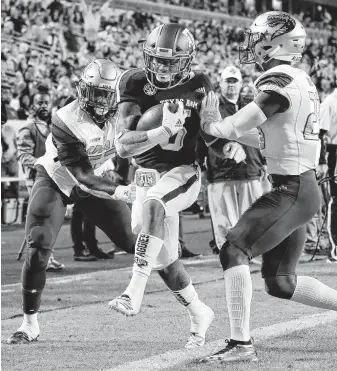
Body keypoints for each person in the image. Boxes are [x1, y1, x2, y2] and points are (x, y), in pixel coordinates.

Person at [198, 11, 337, 363]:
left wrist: (215, 125)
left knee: (233, 250)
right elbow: (264, 135)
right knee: (280, 282)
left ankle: (240, 344)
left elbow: (236, 125)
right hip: (299, 189)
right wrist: (230, 133)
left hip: (292, 190)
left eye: (256, 38)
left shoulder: (278, 80)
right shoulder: (299, 79)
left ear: (275, 42)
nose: (252, 44)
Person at [108, 23, 237, 348]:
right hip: (145, 173)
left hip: (184, 171)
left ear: (188, 58)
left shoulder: (200, 84)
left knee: (154, 204)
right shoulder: (133, 81)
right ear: (147, 55)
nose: (163, 67)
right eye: (158, 59)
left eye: (171, 60)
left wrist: (225, 148)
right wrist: (159, 132)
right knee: (162, 257)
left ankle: (132, 292)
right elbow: (123, 146)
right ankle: (198, 311)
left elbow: (210, 132)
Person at [7, 59, 136, 345]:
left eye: (106, 94)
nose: (100, 101)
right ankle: (29, 324)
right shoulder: (66, 118)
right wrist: (123, 190)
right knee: (39, 246)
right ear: (82, 90)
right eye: (95, 92)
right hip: (59, 177)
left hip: (98, 174)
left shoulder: (126, 112)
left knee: (134, 241)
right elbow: (83, 177)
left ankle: (191, 304)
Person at [198, 67, 266, 261]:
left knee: (253, 218)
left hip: (251, 168)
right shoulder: (212, 106)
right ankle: (229, 257)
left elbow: (262, 135)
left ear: (240, 83)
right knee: (224, 221)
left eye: (234, 81)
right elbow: (201, 137)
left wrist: (263, 162)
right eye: (227, 81)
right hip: (220, 171)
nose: (231, 85)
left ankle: (250, 254)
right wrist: (201, 166)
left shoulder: (250, 105)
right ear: (220, 83)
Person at [17, 83, 65, 271]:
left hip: (54, 178)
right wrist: (43, 165)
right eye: (39, 103)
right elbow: (23, 155)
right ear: (32, 106)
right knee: (44, 219)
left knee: (50, 217)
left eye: (46, 102)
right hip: (35, 178)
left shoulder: (54, 127)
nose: (44, 106)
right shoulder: (27, 129)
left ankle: (44, 257)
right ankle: (45, 258)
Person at [320, 76, 337, 262]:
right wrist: (321, 161)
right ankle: (336, 248)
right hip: (334, 153)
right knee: (335, 199)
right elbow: (319, 133)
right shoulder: (330, 103)